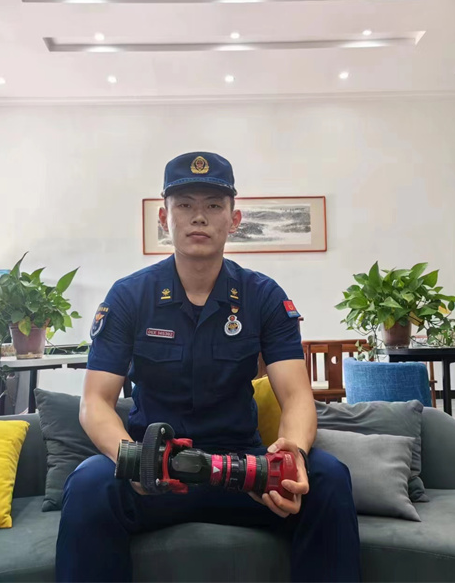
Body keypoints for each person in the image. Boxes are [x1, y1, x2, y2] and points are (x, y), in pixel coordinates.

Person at [56, 152, 361, 582]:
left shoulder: (264, 297)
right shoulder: (129, 297)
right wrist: (133, 459)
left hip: (242, 472)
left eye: (214, 205)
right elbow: (95, 402)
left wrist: (290, 455)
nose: (198, 217)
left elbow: (296, 396)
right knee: (89, 483)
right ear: (164, 218)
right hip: (156, 472)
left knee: (328, 476)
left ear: (233, 220)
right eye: (185, 205)